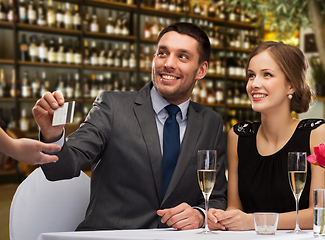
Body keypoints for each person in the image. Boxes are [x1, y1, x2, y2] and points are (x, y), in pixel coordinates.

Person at [32, 22, 227, 231]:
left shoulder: (211, 123)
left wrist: (200, 214)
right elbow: (61, 169)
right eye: (162, 53)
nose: (169, 63)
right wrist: (52, 136)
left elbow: (216, 198)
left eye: (183, 56)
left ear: (202, 69)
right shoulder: (112, 106)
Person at [208, 41, 325, 231]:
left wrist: (253, 222)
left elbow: (323, 214)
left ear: (291, 86)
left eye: (267, 74)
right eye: (251, 75)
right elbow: (235, 207)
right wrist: (223, 218)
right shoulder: (239, 136)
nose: (254, 84)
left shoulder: (317, 133)